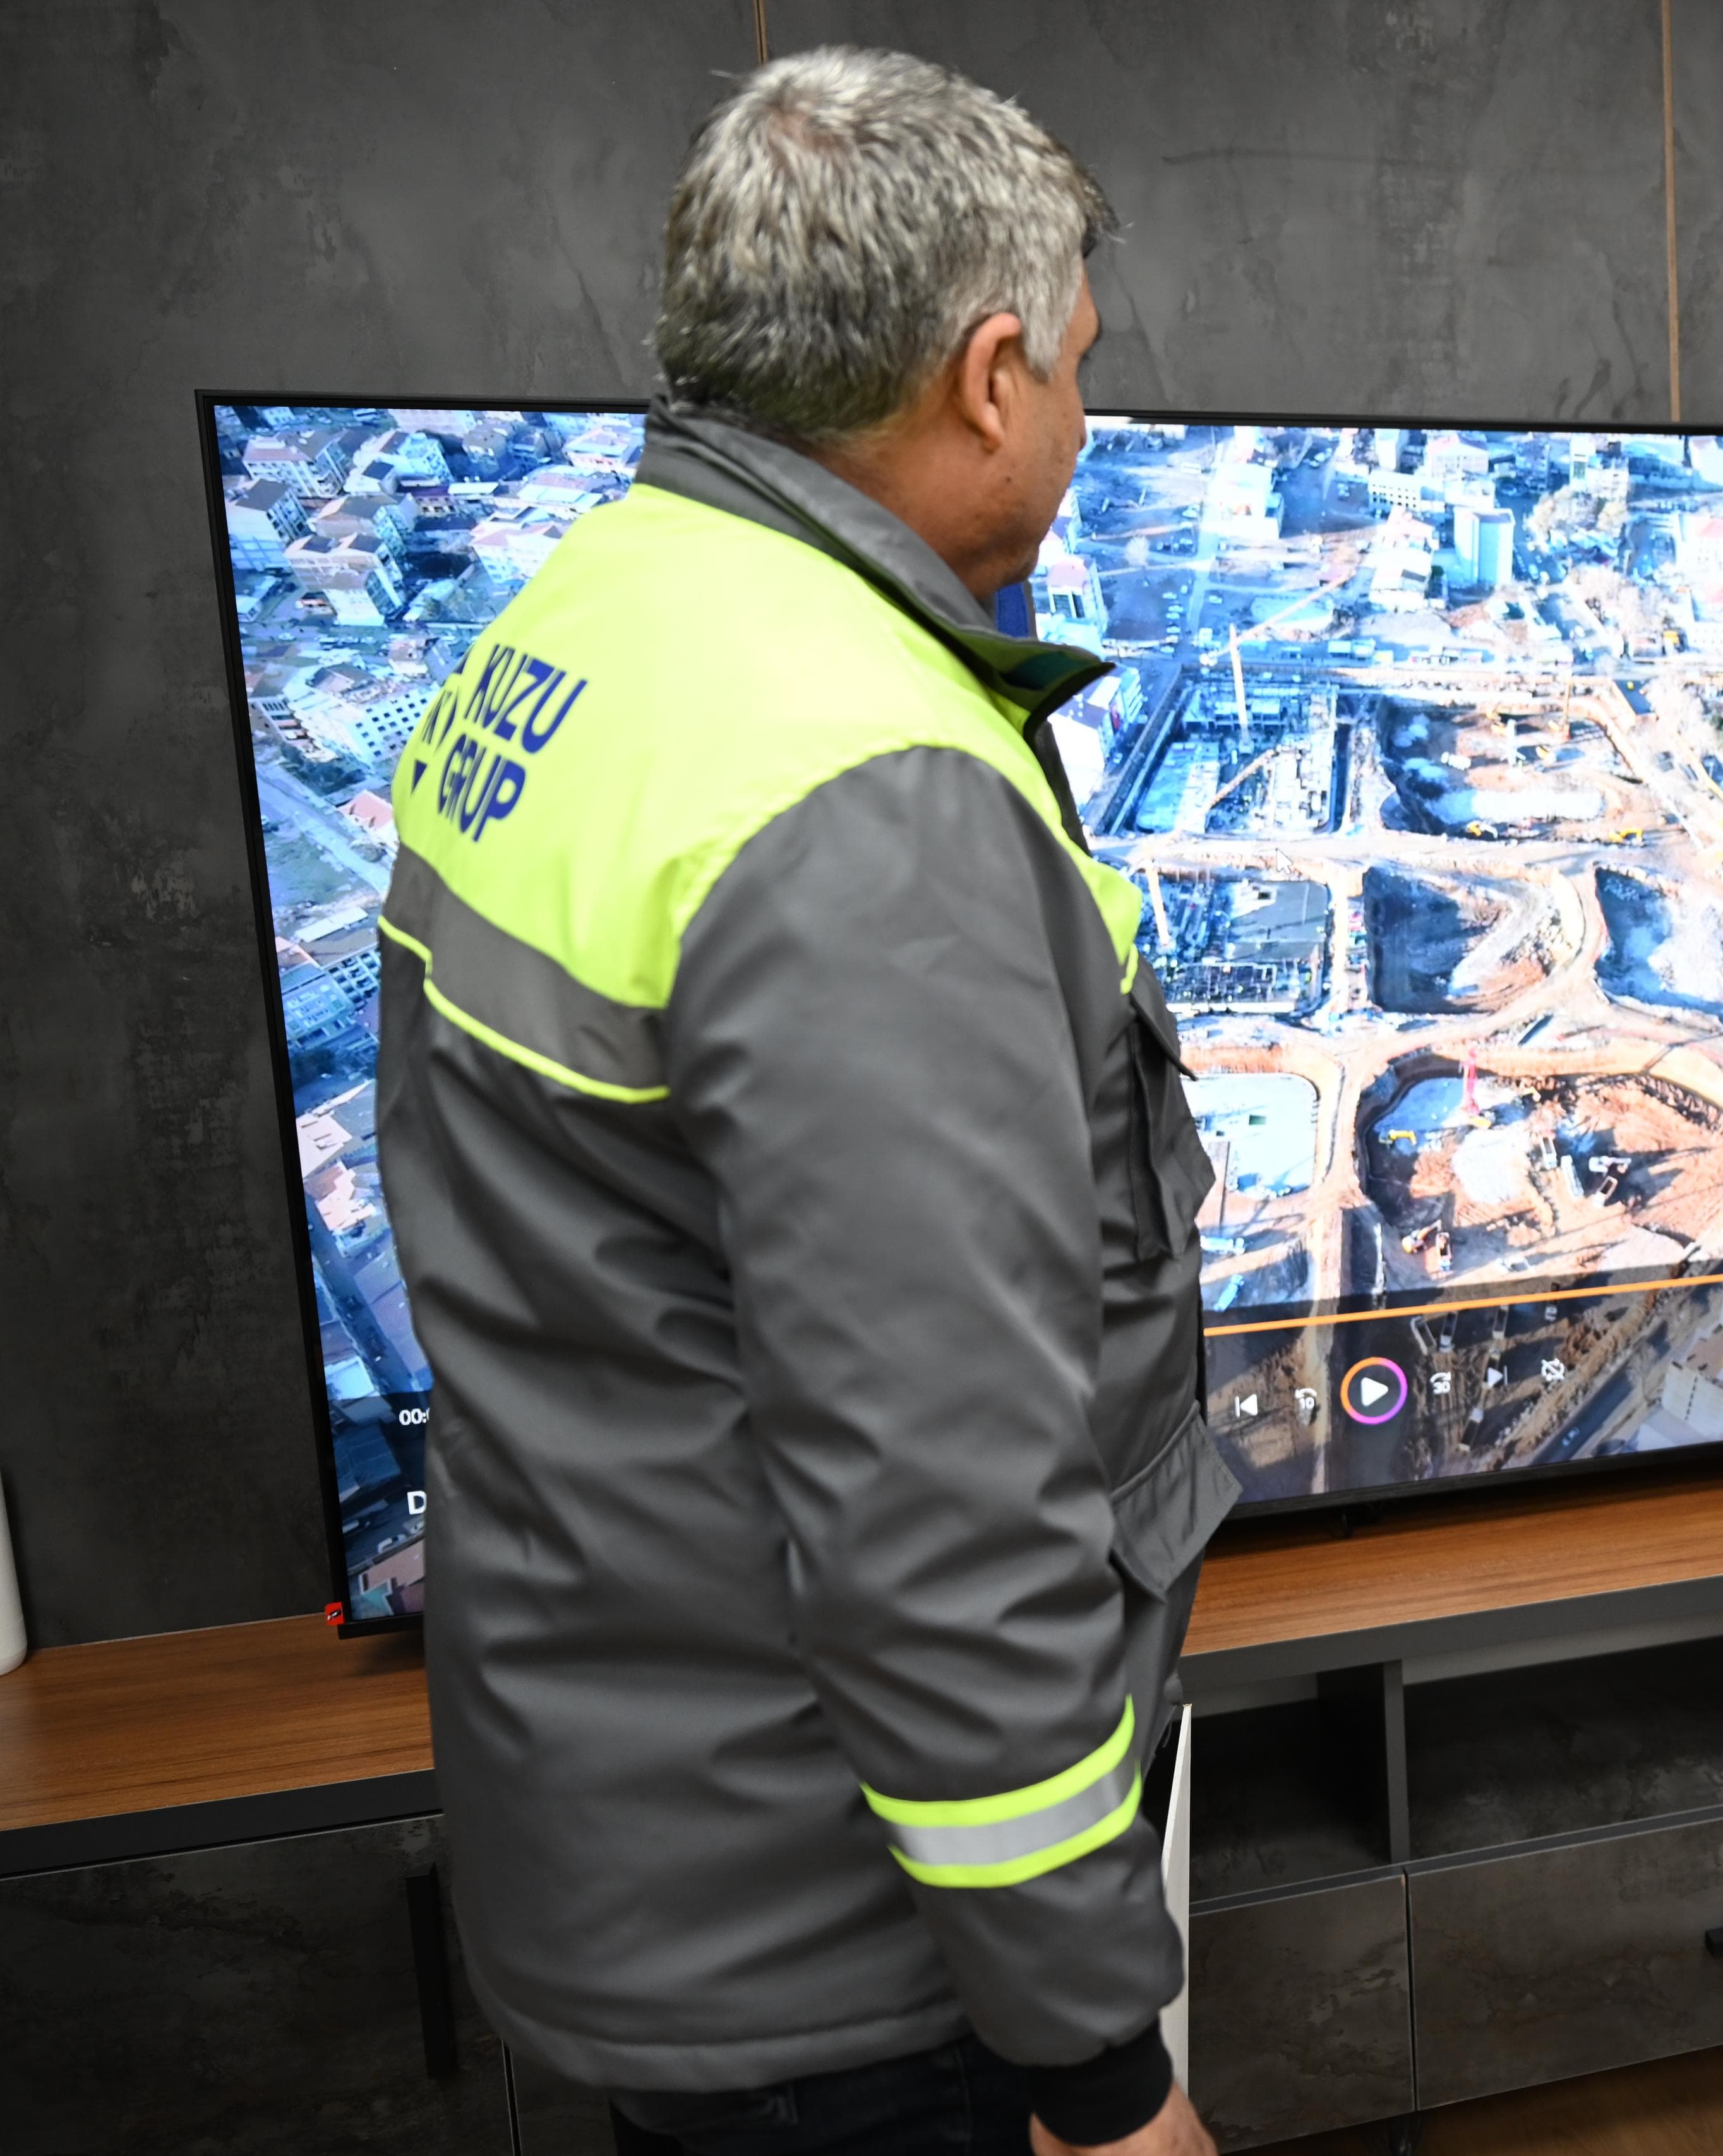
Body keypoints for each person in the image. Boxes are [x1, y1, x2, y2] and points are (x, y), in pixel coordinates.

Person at [376, 48, 1233, 2156]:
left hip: (639, 1811)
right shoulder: (863, 790)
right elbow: (940, 1513)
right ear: (989, 376)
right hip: (850, 1945)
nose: (1085, 422)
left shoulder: (592, 613)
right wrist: (1099, 2066)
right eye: (1081, 369)